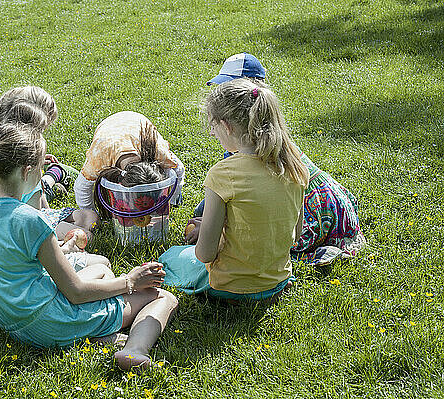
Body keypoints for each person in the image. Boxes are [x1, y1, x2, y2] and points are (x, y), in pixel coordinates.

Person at [0, 123, 178, 371]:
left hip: (13, 322)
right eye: (42, 167)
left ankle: (97, 335)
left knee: (103, 270)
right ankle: (133, 351)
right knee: (161, 297)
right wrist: (131, 281)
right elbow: (76, 293)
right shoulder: (29, 220)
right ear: (26, 171)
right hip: (50, 321)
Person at [195, 53, 365, 265]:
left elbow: (258, 204)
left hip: (318, 209)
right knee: (204, 209)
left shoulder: (248, 148)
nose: (220, 94)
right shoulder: (267, 135)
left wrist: (215, 231)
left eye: (227, 88)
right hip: (326, 204)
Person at [162, 79, 308, 304]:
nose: (212, 133)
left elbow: (205, 254)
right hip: (276, 282)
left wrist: (211, 233)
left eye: (213, 126)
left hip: (231, 287)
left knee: (170, 257)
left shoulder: (223, 174)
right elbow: (294, 236)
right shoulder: (293, 166)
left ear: (227, 126)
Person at [0, 86, 97, 239]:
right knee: (86, 235)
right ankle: (52, 180)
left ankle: (52, 181)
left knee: (91, 218)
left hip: (9, 215)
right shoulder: (15, 161)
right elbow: (33, 216)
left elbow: (39, 204)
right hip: (15, 222)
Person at [74, 111, 185, 210]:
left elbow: (178, 169)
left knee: (170, 176)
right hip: (110, 126)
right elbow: (81, 188)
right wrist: (89, 212)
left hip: (137, 123)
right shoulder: (99, 158)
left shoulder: (158, 152)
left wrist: (172, 200)